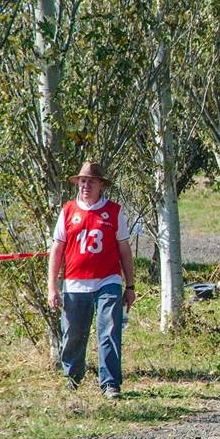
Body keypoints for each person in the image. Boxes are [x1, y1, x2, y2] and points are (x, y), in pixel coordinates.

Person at [47, 161, 135, 400]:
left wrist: (130, 285)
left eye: (91, 182)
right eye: (83, 181)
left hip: (108, 281)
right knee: (73, 333)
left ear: (100, 185)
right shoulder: (67, 211)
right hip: (75, 284)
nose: (86, 186)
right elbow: (57, 250)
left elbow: (125, 250)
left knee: (109, 330)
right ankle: (72, 379)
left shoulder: (114, 212)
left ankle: (110, 384)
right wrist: (52, 287)